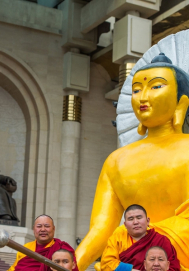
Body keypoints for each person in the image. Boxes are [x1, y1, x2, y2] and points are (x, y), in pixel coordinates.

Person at [75, 53, 189, 271]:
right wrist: (72, 265)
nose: (142, 97)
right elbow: (102, 230)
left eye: (156, 86)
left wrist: (143, 238)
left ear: (181, 103)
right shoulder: (116, 160)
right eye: (136, 90)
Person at [100, 205, 180, 271]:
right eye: (131, 219)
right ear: (125, 225)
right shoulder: (118, 238)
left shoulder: (161, 240)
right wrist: (130, 270)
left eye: (139, 218)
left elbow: (173, 267)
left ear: (147, 221)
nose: (135, 222)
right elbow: (106, 263)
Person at [8, 215, 79, 271]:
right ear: (33, 229)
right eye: (39, 226)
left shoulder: (62, 248)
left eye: (47, 226)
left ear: (53, 229)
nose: (43, 229)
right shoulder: (25, 248)